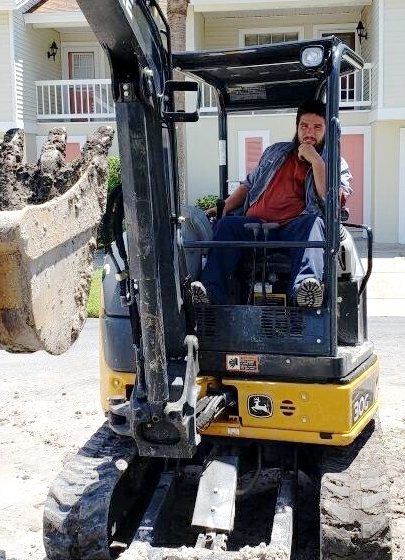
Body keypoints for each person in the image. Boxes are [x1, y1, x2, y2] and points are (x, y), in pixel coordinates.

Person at [191, 99, 352, 307]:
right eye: (304, 126)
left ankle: (306, 289)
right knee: (226, 225)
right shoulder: (275, 152)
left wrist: (317, 161)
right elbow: (248, 186)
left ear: (327, 131)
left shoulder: (334, 163)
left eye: (317, 127)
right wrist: (224, 207)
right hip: (256, 228)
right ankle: (210, 293)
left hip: (295, 230)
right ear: (297, 128)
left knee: (314, 224)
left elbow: (330, 200)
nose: (309, 132)